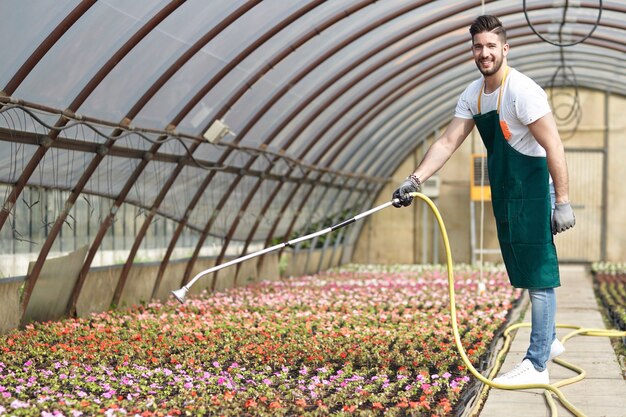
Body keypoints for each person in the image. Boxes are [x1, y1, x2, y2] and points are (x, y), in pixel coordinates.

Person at [392, 15, 575, 386]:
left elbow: (553, 143)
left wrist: (563, 200)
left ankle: (537, 364)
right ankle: (550, 340)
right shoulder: (473, 94)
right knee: (522, 266)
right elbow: (447, 142)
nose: (485, 53)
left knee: (539, 275)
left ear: (505, 49)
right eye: (478, 46)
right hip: (507, 190)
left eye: (492, 46)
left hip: (534, 187)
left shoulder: (521, 91)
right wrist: (414, 180)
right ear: (472, 50)